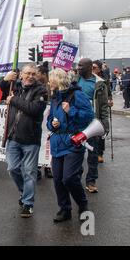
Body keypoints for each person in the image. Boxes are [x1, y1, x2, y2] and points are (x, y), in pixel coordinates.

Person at [47, 68, 94, 223]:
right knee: (58, 179)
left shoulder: (77, 95)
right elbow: (49, 120)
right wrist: (53, 124)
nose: (48, 83)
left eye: (51, 79)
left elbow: (88, 117)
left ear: (58, 80)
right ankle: (64, 209)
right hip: (57, 142)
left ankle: (82, 204)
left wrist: (70, 110)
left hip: (73, 141)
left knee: (69, 178)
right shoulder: (55, 97)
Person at [3, 63, 48, 218]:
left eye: (33, 74)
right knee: (13, 168)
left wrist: (13, 99)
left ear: (36, 76)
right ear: (21, 74)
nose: (30, 76)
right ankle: (24, 192)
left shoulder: (41, 90)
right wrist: (4, 80)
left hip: (31, 139)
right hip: (13, 137)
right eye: (27, 73)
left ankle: (28, 203)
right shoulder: (13, 86)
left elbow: (33, 109)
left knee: (29, 172)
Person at [76, 58, 110, 193]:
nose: (78, 68)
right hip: (76, 122)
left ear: (90, 67)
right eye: (78, 65)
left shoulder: (100, 84)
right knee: (76, 152)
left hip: (92, 123)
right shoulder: (74, 79)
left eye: (81, 66)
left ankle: (91, 181)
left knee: (93, 153)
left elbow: (103, 106)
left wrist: (104, 124)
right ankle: (76, 178)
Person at [91, 60, 113, 164]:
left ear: (99, 69)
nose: (92, 70)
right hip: (90, 110)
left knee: (100, 132)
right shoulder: (87, 79)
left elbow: (108, 92)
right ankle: (91, 151)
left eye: (94, 67)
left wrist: (110, 99)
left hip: (99, 107)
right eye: (91, 67)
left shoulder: (104, 80)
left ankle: (100, 153)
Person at [36, 62, 53, 179]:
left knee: (48, 143)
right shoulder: (35, 85)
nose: (36, 75)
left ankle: (47, 167)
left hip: (49, 118)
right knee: (37, 142)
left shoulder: (51, 85)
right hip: (38, 118)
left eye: (37, 73)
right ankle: (37, 168)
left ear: (43, 74)